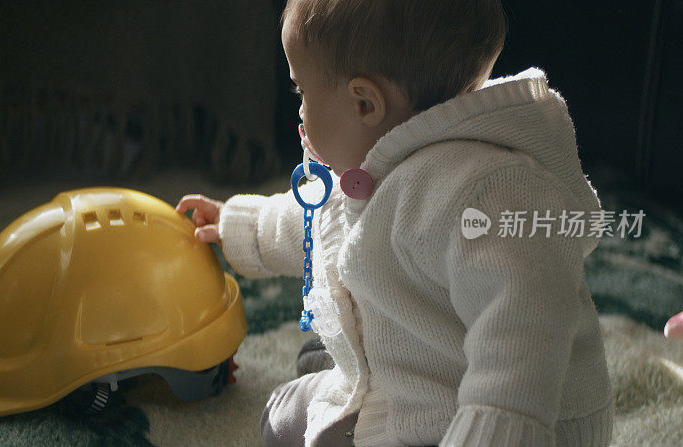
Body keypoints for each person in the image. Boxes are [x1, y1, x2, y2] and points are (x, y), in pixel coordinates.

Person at [176, 0, 614, 445]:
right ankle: (346, 367)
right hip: (420, 380)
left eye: (301, 93)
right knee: (292, 402)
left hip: (496, 421)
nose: (301, 113)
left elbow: (525, 334)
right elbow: (317, 221)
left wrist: (491, 431)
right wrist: (238, 224)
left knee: (286, 424)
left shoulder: (486, 194)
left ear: (365, 103)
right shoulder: (375, 166)